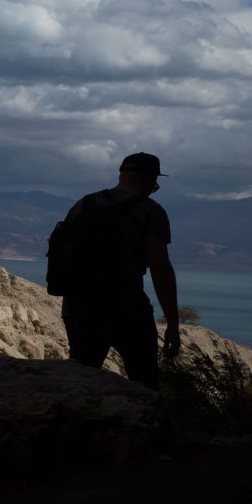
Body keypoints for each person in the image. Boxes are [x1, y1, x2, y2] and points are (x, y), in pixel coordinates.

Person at [60, 152, 180, 389]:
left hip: (79, 306)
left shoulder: (84, 204)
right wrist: (173, 325)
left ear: (122, 175)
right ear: (148, 179)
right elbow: (160, 268)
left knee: (81, 378)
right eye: (154, 183)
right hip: (127, 307)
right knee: (145, 380)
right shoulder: (150, 211)